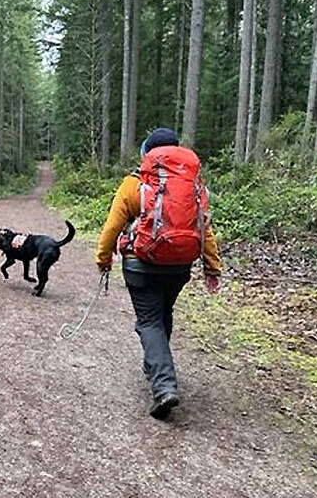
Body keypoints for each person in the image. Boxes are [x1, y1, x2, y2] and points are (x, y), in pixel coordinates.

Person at [95, 128, 222, 419]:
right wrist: (212, 266)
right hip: (179, 266)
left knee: (149, 321)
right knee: (163, 312)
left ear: (147, 153)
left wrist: (103, 259)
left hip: (140, 264)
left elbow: (113, 227)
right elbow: (205, 228)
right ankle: (156, 362)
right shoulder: (193, 186)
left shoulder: (135, 183)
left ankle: (164, 385)